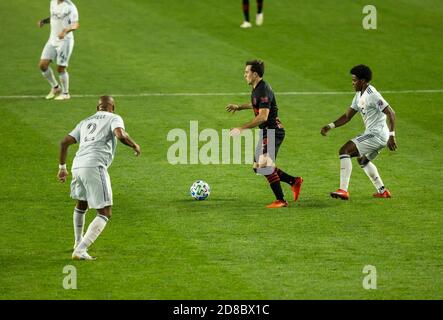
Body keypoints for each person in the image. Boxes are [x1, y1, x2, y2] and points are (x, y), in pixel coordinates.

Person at [58, 96, 141, 260]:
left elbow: (64, 142)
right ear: (113, 107)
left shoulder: (85, 121)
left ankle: (77, 242)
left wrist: (62, 168)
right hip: (94, 165)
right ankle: (81, 250)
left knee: (82, 203)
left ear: (98, 108)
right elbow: (120, 134)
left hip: (77, 165)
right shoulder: (114, 118)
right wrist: (134, 144)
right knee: (105, 212)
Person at [226, 60, 303, 208]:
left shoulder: (263, 89)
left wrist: (241, 129)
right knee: (257, 167)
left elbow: (263, 116)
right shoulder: (257, 88)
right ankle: (294, 181)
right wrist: (239, 107)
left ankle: (281, 200)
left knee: (264, 165)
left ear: (255, 74)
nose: (245, 75)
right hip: (266, 131)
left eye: (247, 72)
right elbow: (256, 103)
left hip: (273, 131)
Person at [320, 64, 397, 200]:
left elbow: (391, 112)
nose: (352, 83)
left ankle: (343, 190)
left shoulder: (372, 95)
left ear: (362, 81)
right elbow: (347, 116)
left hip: (376, 134)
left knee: (344, 150)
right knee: (363, 161)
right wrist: (330, 126)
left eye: (354, 80)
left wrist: (392, 136)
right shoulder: (358, 95)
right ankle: (382, 191)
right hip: (378, 135)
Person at [38, 0, 79, 100]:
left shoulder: (70, 7)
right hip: (52, 39)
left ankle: (65, 94)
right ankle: (56, 88)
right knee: (43, 65)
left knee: (60, 68)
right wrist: (44, 21)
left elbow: (75, 25)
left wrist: (65, 31)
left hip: (65, 41)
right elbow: (54, 17)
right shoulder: (53, 2)